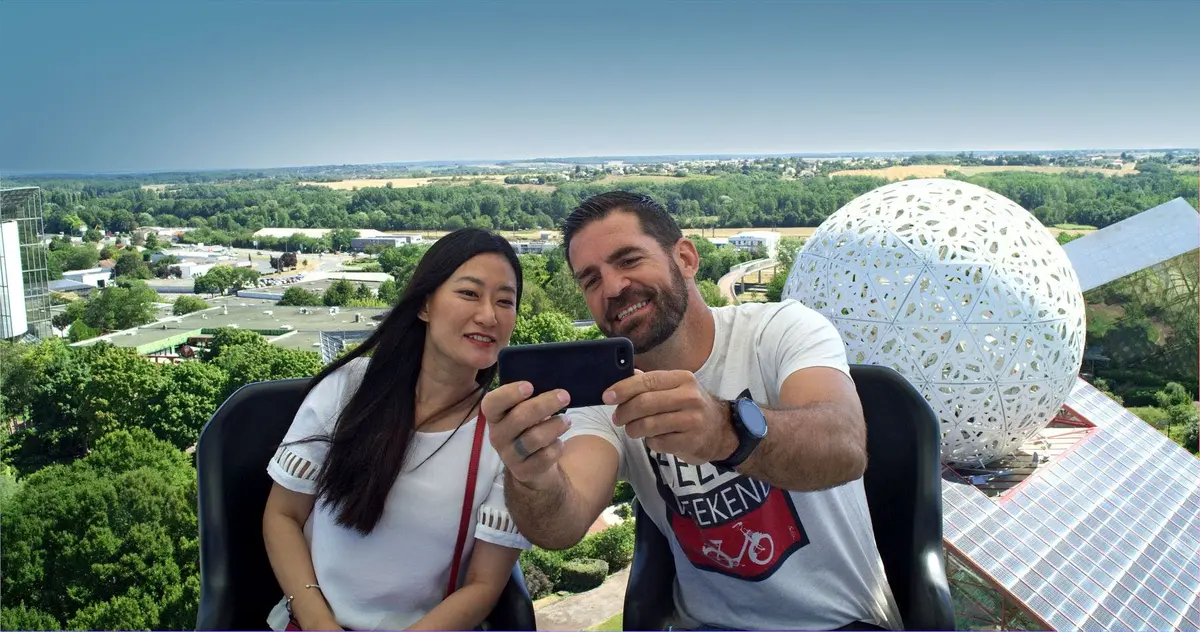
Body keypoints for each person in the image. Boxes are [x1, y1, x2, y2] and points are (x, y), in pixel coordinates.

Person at [482, 192, 901, 631]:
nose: (613, 288)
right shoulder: (606, 399)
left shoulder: (780, 332)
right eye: (590, 280)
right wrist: (531, 476)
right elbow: (560, 526)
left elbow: (844, 446)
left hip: (841, 621)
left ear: (684, 257)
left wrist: (727, 430)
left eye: (628, 260)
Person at [262, 228, 532, 631]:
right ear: (425, 304)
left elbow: (483, 585)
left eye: (505, 301)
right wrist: (319, 622)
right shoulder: (350, 388)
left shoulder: (506, 436)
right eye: (469, 294)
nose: (489, 316)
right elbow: (282, 515)